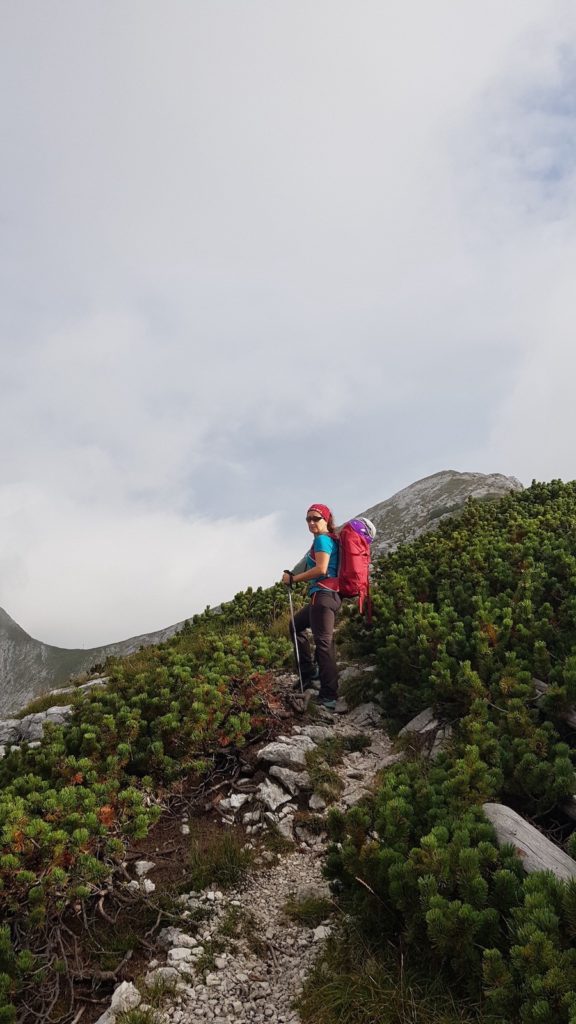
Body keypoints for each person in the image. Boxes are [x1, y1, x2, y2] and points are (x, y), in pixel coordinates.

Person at [282, 503, 341, 710]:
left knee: (324, 645)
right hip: (327, 597)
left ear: (327, 519)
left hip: (323, 596)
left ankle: (329, 696)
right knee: (295, 625)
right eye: (308, 519)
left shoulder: (323, 540)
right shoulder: (326, 540)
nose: (312, 522)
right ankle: (309, 673)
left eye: (316, 518)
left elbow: (322, 569)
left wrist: (294, 579)